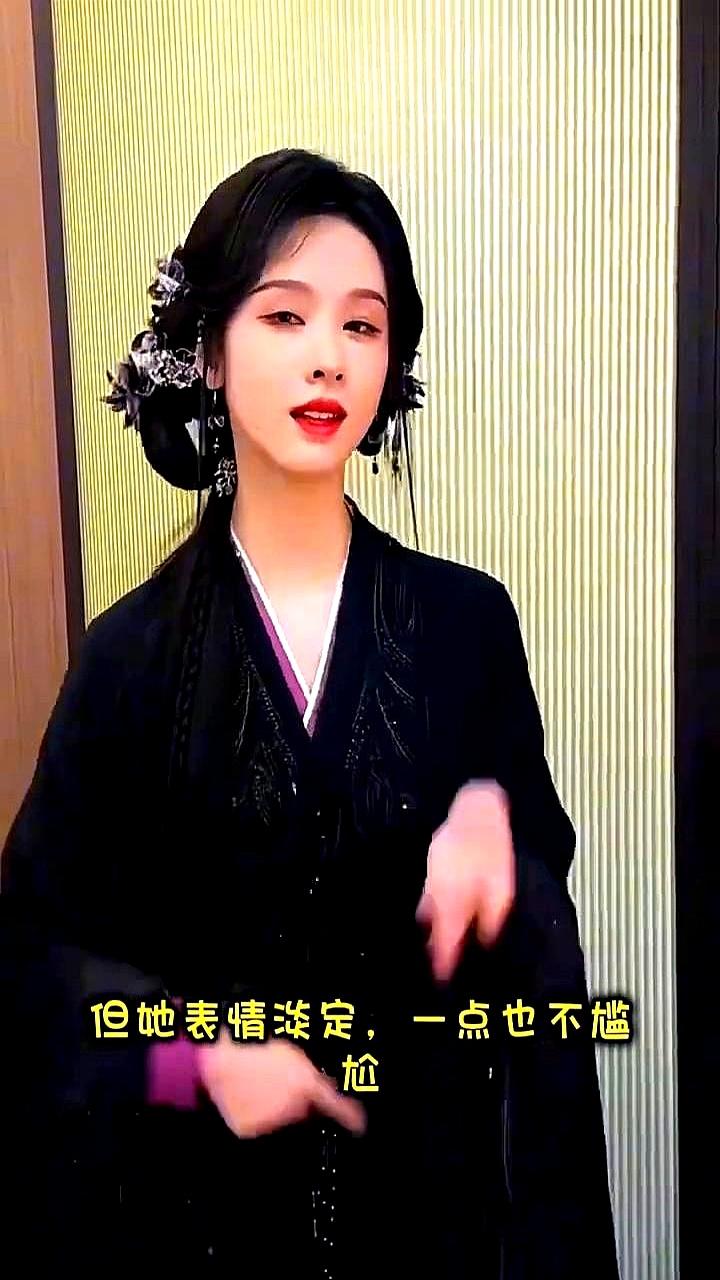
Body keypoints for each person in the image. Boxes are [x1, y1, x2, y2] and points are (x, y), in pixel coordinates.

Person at [1, 148, 618, 1277]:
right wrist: (191, 1057)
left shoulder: (468, 623)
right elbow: (38, 959)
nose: (328, 353)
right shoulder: (129, 659)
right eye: (285, 314)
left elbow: (535, 875)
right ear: (208, 349)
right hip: (203, 1226)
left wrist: (497, 825)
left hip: (427, 1212)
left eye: (362, 324)